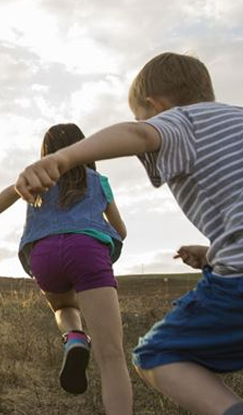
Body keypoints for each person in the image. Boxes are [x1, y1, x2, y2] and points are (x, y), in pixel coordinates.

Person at [14, 53, 243, 415]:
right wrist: (213, 252)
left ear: (156, 106)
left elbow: (136, 134)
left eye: (142, 115)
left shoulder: (181, 120)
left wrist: (61, 159)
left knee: (158, 354)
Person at [0, 123, 130, 414]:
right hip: (87, 250)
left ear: (46, 152)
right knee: (111, 355)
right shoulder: (98, 180)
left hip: (44, 253)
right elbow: (120, 230)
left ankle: (74, 338)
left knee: (63, 307)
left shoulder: (38, 178)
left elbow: (11, 191)